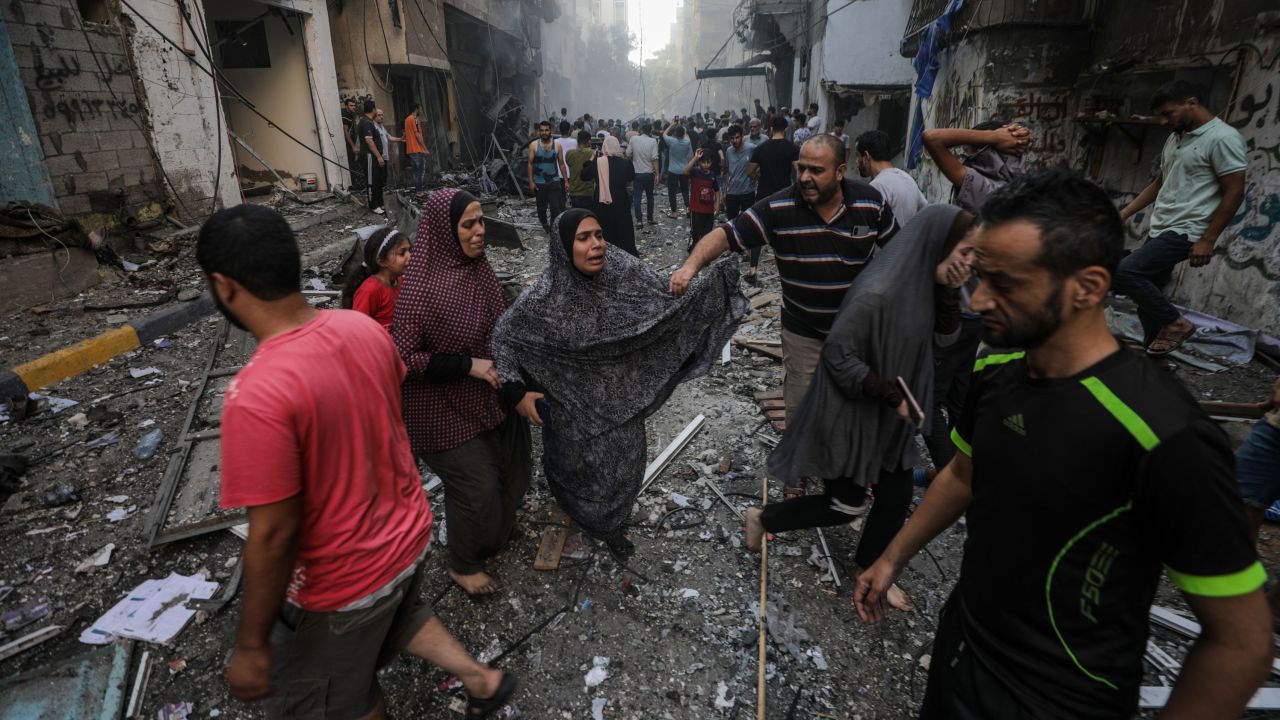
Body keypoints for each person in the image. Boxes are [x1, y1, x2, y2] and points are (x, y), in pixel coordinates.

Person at [856, 169, 1271, 720]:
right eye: (979, 277)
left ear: (1090, 287)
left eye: (1005, 284)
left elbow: (1240, 643)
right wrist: (891, 558)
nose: (979, 301)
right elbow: (962, 474)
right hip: (964, 655)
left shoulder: (1165, 434)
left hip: (1060, 699)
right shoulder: (1000, 367)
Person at [199, 204, 519, 720]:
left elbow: (274, 534)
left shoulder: (256, 394)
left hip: (342, 583)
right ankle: (480, 679)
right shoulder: (362, 330)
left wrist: (253, 644)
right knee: (398, 614)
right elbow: (379, 407)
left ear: (225, 287)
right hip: (406, 537)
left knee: (336, 700)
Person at [746, 205, 975, 615]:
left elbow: (945, 339)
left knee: (896, 494)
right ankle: (763, 518)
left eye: (975, 255)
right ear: (936, 245)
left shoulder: (925, 285)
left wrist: (949, 294)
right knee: (844, 505)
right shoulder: (879, 293)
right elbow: (837, 354)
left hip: (889, 418)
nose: (969, 264)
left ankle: (872, 570)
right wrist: (889, 393)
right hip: (852, 415)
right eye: (964, 251)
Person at [491, 209, 747, 557]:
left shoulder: (622, 270)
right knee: (573, 469)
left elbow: (661, 301)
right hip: (571, 407)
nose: (596, 245)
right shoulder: (541, 299)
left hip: (621, 399)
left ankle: (612, 523)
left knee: (624, 467)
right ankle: (579, 512)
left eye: (599, 235)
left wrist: (707, 285)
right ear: (563, 246)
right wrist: (515, 391)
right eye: (583, 238)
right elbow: (503, 338)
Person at [672, 135, 898, 495]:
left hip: (856, 332)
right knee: (802, 402)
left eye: (817, 170)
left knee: (855, 402)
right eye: (802, 168)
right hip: (803, 330)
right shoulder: (779, 208)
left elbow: (898, 254)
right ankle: (798, 471)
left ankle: (852, 470)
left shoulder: (870, 203)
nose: (805, 177)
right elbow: (725, 234)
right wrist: (689, 267)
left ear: (840, 171)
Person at [391, 189, 531, 598]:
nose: (479, 232)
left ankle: (493, 536)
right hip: (439, 409)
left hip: (485, 396)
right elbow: (404, 356)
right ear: (444, 230)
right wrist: (467, 365)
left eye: (481, 222)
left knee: (514, 467)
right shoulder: (420, 290)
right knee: (477, 485)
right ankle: (462, 563)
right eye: (468, 225)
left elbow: (499, 325)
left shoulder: (478, 269)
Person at [920, 118, 1031, 478]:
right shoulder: (1020, 188)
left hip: (963, 309)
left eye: (972, 149)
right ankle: (971, 464)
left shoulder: (986, 189)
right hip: (979, 313)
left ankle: (951, 476)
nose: (965, 154)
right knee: (960, 396)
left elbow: (934, 138)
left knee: (928, 400)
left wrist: (993, 137)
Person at [1115, 81, 1247, 356]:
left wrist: (1208, 239)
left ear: (1191, 102)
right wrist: (1123, 214)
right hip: (1162, 225)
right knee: (1148, 295)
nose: (1164, 121)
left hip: (1187, 229)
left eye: (1168, 113)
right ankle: (1154, 360)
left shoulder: (1223, 137)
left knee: (1125, 272)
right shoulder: (1176, 136)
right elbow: (1159, 182)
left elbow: (1234, 191)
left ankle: (1176, 323)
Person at [743, 116, 800, 282]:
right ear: (786, 129)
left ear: (769, 128)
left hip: (763, 195)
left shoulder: (761, 148)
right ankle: (789, 270)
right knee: (785, 231)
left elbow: (750, 171)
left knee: (758, 230)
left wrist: (758, 175)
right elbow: (799, 171)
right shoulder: (792, 149)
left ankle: (753, 269)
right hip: (784, 195)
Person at [341, 227, 411, 330]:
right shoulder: (370, 290)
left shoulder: (401, 281)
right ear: (382, 261)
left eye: (409, 250)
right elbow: (357, 328)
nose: (410, 256)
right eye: (402, 253)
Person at [855, 130, 928, 226]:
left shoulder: (876, 187)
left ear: (866, 157)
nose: (856, 161)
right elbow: (925, 209)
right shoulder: (907, 178)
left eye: (857, 156)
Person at [579, 136, 638, 256]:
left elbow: (584, 176)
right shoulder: (625, 163)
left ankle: (606, 254)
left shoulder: (598, 162)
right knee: (623, 228)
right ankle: (625, 254)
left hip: (601, 202)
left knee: (604, 228)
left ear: (604, 147)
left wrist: (591, 159)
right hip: (621, 200)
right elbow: (631, 177)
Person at [721, 125, 757, 280]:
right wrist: (724, 190)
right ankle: (735, 249)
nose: (734, 141)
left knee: (748, 222)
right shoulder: (729, 151)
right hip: (732, 192)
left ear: (743, 135)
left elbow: (757, 166)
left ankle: (748, 250)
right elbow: (727, 172)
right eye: (732, 138)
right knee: (731, 222)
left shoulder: (752, 148)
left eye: (737, 137)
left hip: (747, 192)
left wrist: (755, 178)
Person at [527, 120, 566, 232]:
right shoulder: (534, 145)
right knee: (541, 207)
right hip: (539, 182)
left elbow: (561, 163)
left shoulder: (557, 145)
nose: (544, 132)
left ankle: (553, 228)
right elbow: (529, 164)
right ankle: (544, 223)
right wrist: (531, 182)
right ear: (539, 131)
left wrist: (567, 181)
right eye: (542, 130)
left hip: (554, 180)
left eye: (547, 130)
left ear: (551, 131)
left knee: (555, 207)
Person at [684, 147, 721, 253]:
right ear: (699, 162)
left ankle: (703, 255)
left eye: (708, 162)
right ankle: (695, 253)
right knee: (696, 234)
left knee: (707, 234)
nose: (706, 165)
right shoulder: (695, 172)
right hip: (696, 209)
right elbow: (685, 171)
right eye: (703, 162)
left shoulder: (712, 175)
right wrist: (695, 158)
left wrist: (717, 204)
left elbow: (717, 190)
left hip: (708, 210)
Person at [626, 123, 660, 228]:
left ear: (641, 130)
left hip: (637, 174)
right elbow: (655, 158)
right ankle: (650, 218)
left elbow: (628, 154)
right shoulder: (653, 141)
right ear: (650, 131)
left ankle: (639, 221)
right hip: (649, 174)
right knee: (650, 197)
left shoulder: (633, 139)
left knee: (637, 198)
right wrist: (657, 174)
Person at [358, 100, 387, 214]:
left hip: (373, 157)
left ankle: (379, 203)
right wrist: (379, 156)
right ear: (373, 109)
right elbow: (369, 141)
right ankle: (373, 205)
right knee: (372, 181)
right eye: (376, 110)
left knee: (378, 180)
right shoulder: (366, 122)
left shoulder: (369, 121)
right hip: (369, 156)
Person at [663, 121, 693, 218]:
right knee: (685, 190)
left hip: (672, 170)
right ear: (683, 133)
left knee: (672, 191)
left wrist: (672, 124)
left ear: (675, 133)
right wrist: (682, 125)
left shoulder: (671, 141)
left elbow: (664, 133)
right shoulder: (687, 141)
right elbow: (686, 135)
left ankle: (674, 212)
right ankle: (688, 208)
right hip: (684, 169)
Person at [564, 130, 597, 211]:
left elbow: (569, 165)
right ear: (589, 141)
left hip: (574, 192)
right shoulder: (593, 153)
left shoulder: (569, 153)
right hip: (587, 192)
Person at [404, 103, 429, 195]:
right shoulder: (414, 119)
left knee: (415, 172)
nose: (421, 111)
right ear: (416, 109)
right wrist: (425, 148)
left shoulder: (407, 119)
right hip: (417, 149)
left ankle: (418, 190)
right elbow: (417, 134)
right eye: (420, 109)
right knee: (420, 172)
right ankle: (419, 192)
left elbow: (406, 133)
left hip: (410, 150)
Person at [342, 98, 364, 192]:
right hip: (348, 144)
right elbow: (346, 132)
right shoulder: (345, 115)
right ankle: (354, 185)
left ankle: (355, 184)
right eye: (351, 105)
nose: (353, 107)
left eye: (354, 105)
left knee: (354, 163)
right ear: (346, 106)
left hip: (351, 143)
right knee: (352, 164)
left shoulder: (351, 115)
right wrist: (353, 146)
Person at [554, 120, 577, 187]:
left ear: (559, 130)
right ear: (569, 130)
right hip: (571, 173)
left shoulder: (554, 142)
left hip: (558, 174)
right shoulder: (574, 142)